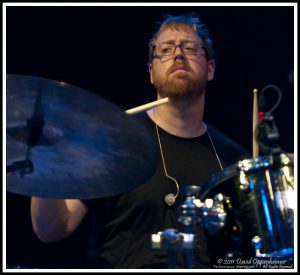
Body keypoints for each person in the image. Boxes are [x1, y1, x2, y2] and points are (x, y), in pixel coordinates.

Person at [30, 14, 250, 269]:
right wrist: (46, 153)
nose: (178, 55)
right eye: (165, 50)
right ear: (151, 73)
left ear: (210, 68)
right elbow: (51, 229)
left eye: (190, 48)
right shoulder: (112, 140)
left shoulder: (236, 161)